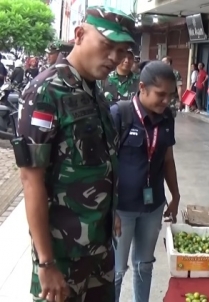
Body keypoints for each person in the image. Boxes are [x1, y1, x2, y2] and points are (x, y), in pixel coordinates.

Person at [15, 5, 136, 302]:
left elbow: (100, 162)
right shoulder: (45, 92)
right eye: (107, 46)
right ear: (79, 34)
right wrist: (45, 263)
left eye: (122, 51)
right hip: (63, 255)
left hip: (99, 247)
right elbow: (32, 181)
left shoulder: (94, 91)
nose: (114, 58)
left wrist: (111, 210)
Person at [110, 60, 180, 302]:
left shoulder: (167, 117)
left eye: (170, 96)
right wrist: (111, 209)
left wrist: (175, 196)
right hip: (122, 209)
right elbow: (105, 165)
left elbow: (168, 159)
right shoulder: (120, 114)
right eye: (161, 95)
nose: (166, 101)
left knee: (144, 265)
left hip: (153, 206)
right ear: (142, 87)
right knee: (116, 271)